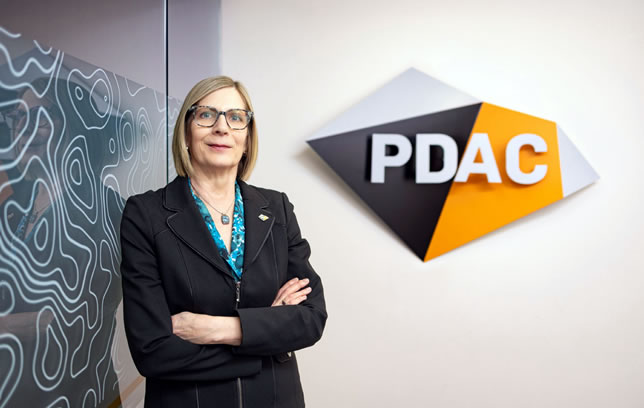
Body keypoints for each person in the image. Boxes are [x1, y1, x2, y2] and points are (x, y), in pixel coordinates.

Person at [120, 76, 327, 407]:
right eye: (206, 115)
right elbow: (153, 351)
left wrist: (219, 329)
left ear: (247, 139)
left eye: (235, 117)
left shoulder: (276, 209)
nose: (221, 127)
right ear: (186, 133)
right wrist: (266, 339)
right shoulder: (146, 214)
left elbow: (311, 318)